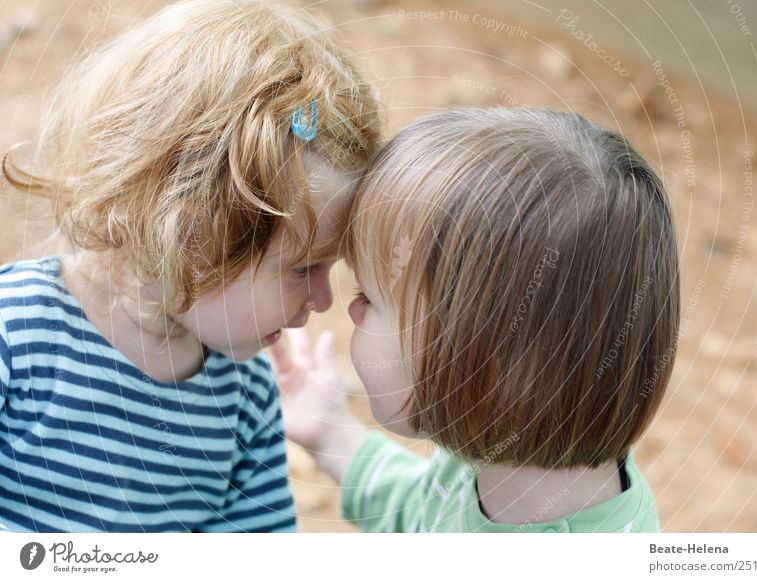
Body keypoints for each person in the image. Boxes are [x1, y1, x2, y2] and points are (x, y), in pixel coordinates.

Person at [0, 0, 380, 532]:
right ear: (190, 228)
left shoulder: (244, 396)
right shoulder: (14, 335)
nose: (323, 301)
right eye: (304, 269)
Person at [272, 107, 679, 532]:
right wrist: (331, 436)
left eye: (370, 299)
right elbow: (424, 514)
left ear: (486, 367)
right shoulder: (492, 462)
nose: (351, 310)